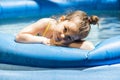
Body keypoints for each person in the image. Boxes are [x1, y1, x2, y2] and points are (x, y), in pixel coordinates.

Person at [15, 10, 99, 50]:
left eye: (69, 37)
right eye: (65, 29)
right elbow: (19, 36)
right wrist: (43, 40)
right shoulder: (46, 24)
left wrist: (63, 44)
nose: (63, 36)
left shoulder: (66, 41)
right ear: (62, 19)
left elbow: (89, 47)